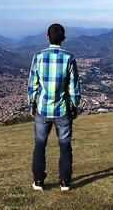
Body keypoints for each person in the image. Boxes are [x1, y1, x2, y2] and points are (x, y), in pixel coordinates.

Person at [28, 23, 81, 191]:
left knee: (40, 145)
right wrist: (75, 105)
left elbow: (33, 85)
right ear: (63, 39)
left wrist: (32, 104)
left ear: (47, 37)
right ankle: (64, 181)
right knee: (65, 145)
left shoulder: (38, 56)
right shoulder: (69, 58)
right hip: (63, 109)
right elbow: (74, 86)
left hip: (42, 109)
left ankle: (38, 180)